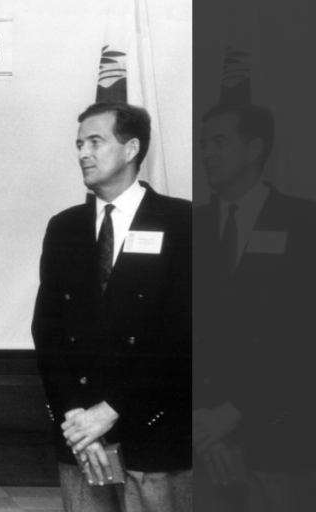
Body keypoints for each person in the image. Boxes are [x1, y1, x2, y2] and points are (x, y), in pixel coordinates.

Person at [31, 102, 192, 511]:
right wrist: (77, 418)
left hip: (154, 434)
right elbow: (47, 331)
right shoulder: (64, 227)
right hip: (81, 439)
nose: (83, 153)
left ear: (131, 148)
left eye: (95, 142)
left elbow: (184, 334)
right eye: (79, 144)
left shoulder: (183, 222)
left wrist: (112, 409)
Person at [193, 102, 316, 512]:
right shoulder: (190, 227)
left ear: (255, 148)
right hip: (205, 439)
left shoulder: (305, 222)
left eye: (219, 142)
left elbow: (303, 336)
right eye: (203, 144)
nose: (207, 153)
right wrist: (203, 420)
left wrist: (236, 410)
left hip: (280, 431)